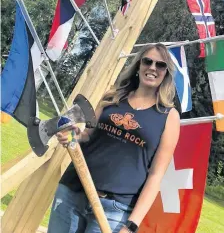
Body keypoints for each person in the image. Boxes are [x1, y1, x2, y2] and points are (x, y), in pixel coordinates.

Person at [48, 43, 180, 233]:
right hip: (72, 191)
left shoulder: (168, 116)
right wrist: (76, 134)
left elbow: (156, 175)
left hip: (114, 210)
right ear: (138, 66)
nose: (152, 68)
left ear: (166, 73)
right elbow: (88, 135)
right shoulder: (113, 98)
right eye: (147, 61)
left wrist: (132, 224)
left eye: (160, 65)